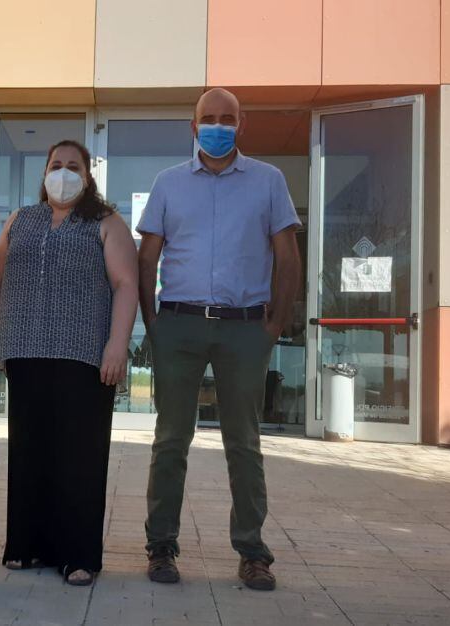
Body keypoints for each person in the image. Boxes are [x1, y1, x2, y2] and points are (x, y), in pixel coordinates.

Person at [137, 88, 301, 591]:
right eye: (207, 118)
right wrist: (153, 322)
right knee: (171, 439)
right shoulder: (168, 183)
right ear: (193, 127)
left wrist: (274, 326)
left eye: (227, 119)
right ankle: (161, 547)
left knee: (244, 443)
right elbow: (148, 257)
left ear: (241, 124)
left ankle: (253, 552)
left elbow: (288, 257)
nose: (217, 126)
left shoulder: (268, 181)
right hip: (179, 324)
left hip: (245, 327)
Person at [0, 140, 138, 586]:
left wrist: (117, 344)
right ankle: (27, 545)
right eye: (55, 165)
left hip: (84, 357)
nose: (62, 173)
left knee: (79, 457)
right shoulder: (20, 220)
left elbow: (126, 285)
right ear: (44, 172)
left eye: (73, 167)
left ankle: (78, 555)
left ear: (87, 176)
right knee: (30, 452)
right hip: (24, 351)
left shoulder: (106, 222)